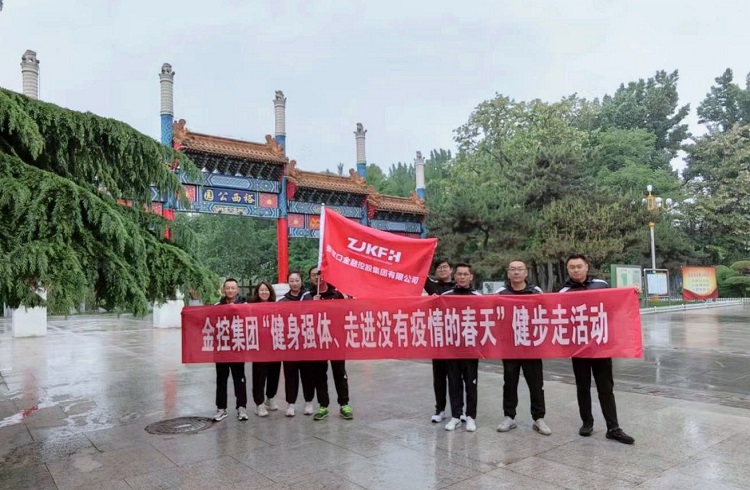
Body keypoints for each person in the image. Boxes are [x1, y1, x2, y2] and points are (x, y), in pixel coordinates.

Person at [560, 254, 635, 445]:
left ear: (587, 267)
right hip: (579, 347)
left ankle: (613, 428)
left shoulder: (601, 285)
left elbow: (615, 305)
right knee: (582, 386)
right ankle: (587, 422)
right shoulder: (563, 292)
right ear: (567, 270)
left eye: (579, 266)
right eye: (571, 267)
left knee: (605, 387)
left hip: (601, 346)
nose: (576, 270)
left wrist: (632, 293)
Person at [494, 261, 551, 436]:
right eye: (512, 269)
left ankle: (539, 418)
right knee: (509, 382)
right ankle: (509, 417)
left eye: (520, 269)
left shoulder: (536, 292)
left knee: (536, 384)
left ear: (526, 273)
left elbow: (547, 313)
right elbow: (491, 315)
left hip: (531, 347)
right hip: (509, 346)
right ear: (508, 273)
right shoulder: (500, 293)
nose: (516, 272)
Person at [301, 266, 353, 421]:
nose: (318, 277)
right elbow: (299, 317)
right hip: (317, 342)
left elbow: (347, 311)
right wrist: (312, 306)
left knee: (340, 373)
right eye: (314, 275)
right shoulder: (307, 296)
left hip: (336, 340)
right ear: (310, 278)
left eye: (320, 274)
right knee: (319, 374)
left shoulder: (337, 294)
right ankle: (323, 405)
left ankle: (344, 404)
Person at [442, 263, 481, 432]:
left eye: (466, 274)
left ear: (471, 277)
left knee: (471, 384)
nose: (462, 277)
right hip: (452, 348)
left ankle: (471, 416)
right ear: (454, 276)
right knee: (454, 383)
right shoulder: (445, 296)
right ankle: (456, 416)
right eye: (459, 274)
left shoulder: (478, 297)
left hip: (471, 349)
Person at [278, 271, 315, 417]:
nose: (294, 283)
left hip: (306, 343)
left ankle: (309, 402)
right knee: (290, 375)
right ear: (288, 283)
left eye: (297, 280)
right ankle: (291, 404)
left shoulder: (309, 297)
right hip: (290, 343)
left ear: (301, 281)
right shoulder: (283, 301)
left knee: (308, 374)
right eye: (292, 281)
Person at [423, 259, 455, 423]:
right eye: (439, 268)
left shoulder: (458, 286)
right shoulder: (432, 287)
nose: (442, 270)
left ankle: (458, 410)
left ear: (451, 270)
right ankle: (440, 409)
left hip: (456, 339)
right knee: (439, 377)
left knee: (456, 377)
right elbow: (420, 273)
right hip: (438, 339)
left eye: (445, 267)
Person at [212, 278, 248, 422]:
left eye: (233, 288)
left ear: (237, 290)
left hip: (237, 347)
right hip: (222, 348)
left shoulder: (244, 305)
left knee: (239, 379)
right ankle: (221, 408)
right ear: (223, 290)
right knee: (221, 379)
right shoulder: (217, 306)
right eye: (228, 288)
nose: (230, 290)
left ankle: (241, 407)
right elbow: (210, 324)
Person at [250, 281, 281, 417]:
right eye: (261, 290)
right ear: (257, 292)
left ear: (270, 292)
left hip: (274, 344)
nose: (264, 292)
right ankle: (259, 403)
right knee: (259, 375)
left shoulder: (276, 306)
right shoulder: (251, 307)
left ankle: (270, 397)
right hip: (259, 346)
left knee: (274, 373)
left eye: (266, 290)